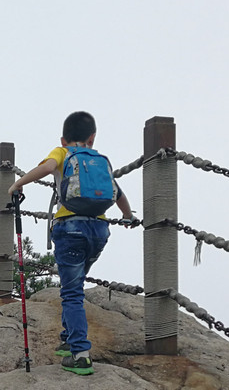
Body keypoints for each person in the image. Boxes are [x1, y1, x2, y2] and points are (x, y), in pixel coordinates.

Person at [9, 111, 136, 376]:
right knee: (75, 285)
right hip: (99, 230)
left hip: (70, 228)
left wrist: (18, 184)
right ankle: (68, 339)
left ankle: (79, 354)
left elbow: (45, 169)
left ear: (63, 138)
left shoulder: (62, 153)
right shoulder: (100, 160)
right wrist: (128, 216)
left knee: (71, 293)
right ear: (93, 137)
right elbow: (118, 193)